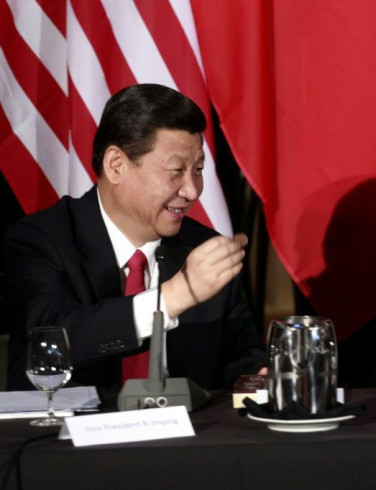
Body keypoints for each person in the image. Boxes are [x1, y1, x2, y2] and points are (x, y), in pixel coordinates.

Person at [3, 84, 266, 396]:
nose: (192, 191)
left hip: (185, 440)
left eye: (197, 170)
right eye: (176, 170)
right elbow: (52, 342)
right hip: (63, 438)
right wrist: (174, 296)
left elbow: (241, 360)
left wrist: (260, 378)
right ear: (117, 166)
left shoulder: (204, 250)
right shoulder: (39, 240)